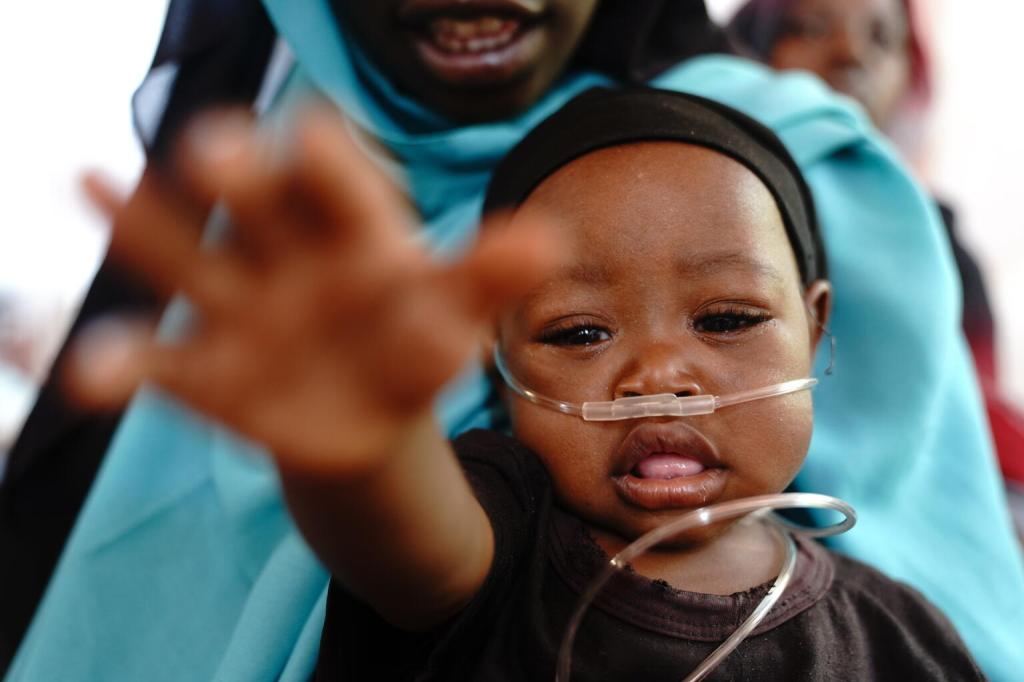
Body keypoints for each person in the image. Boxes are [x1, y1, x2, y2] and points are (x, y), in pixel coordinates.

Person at [5, 1, 1022, 679]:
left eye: (725, 319)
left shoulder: (899, 628)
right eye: (578, 331)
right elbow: (413, 546)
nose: (657, 372)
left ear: (819, 324)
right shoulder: (516, 534)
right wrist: (358, 444)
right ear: (497, 359)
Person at [729, 0, 1024, 539]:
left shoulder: (945, 248)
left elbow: (975, 419)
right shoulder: (723, 210)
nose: (851, 55)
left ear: (911, 73)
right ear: (749, 49)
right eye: (810, 29)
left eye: (883, 39)